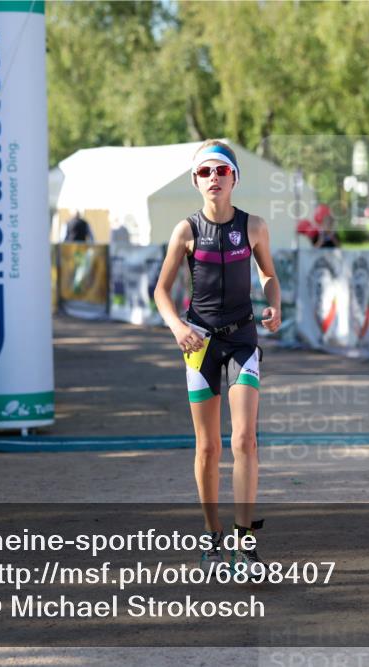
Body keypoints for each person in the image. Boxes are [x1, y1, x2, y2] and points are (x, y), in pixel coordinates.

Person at [154, 140, 282, 574]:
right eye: (205, 172)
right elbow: (160, 291)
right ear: (195, 180)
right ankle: (213, 536)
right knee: (208, 447)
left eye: (221, 172)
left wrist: (274, 305)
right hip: (200, 345)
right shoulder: (185, 231)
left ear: (234, 179)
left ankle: (245, 544)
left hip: (243, 340)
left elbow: (268, 275)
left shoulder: (255, 227)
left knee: (245, 440)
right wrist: (177, 326)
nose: (213, 179)